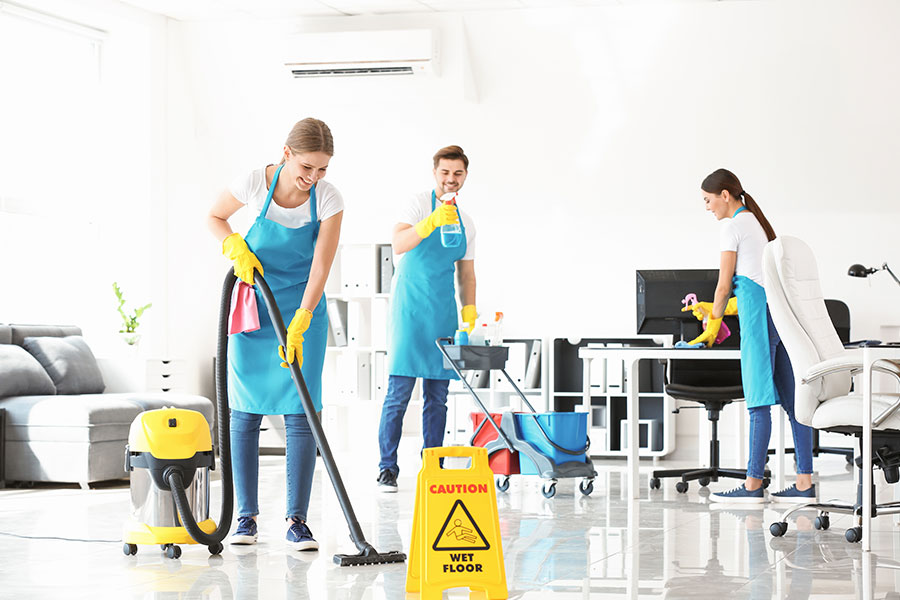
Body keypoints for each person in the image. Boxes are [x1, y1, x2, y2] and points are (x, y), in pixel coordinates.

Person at [207, 118, 343, 548]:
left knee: (300, 411)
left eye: (322, 169)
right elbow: (214, 216)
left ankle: (296, 520)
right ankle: (245, 517)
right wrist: (233, 245)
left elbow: (320, 266)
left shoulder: (329, 198)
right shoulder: (253, 182)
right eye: (307, 167)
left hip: (302, 311)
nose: (313, 177)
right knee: (244, 411)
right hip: (253, 308)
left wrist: (302, 319)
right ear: (287, 154)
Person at [688, 168, 815, 504]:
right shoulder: (754, 222)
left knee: (758, 401)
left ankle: (753, 485)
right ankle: (805, 482)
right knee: (795, 404)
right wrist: (718, 310)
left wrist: (711, 320)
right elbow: (748, 284)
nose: (707, 207)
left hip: (758, 319)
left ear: (724, 195)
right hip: (775, 315)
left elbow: (724, 282)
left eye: (707, 200)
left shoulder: (731, 227)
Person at [376, 145, 478, 492]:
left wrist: (469, 311)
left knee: (438, 394)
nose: (451, 180)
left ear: (465, 177)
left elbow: (466, 274)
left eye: (458, 174)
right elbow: (399, 243)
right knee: (398, 393)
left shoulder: (468, 224)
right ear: (435, 173)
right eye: (445, 173)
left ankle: (432, 462)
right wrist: (431, 221)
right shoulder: (417, 204)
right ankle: (387, 468)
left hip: (442, 310)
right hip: (409, 309)